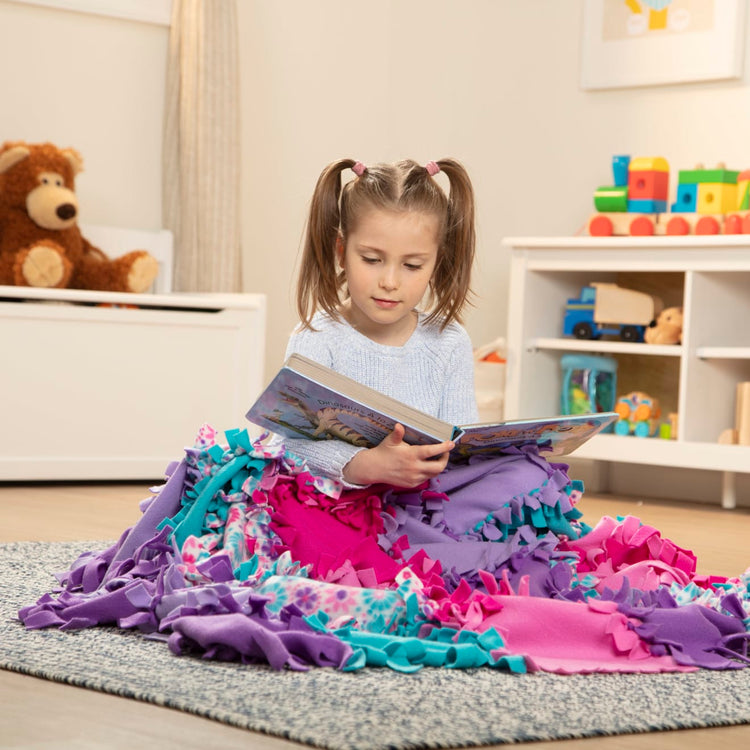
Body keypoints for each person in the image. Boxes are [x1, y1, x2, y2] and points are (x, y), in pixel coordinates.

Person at [283, 158, 479, 489]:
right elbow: (287, 446)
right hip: (341, 503)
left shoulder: (449, 340)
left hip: (427, 496)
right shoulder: (317, 339)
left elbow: (462, 444)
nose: (389, 281)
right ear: (342, 251)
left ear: (436, 263)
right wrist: (363, 466)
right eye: (372, 260)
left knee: (524, 475)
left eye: (413, 265)